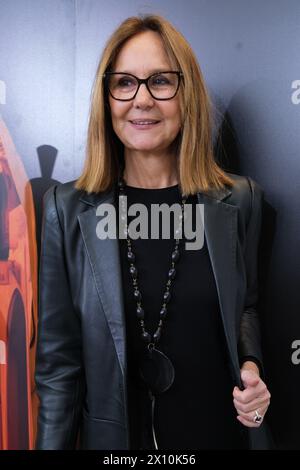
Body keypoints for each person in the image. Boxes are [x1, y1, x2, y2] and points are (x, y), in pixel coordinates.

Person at [35, 14, 272, 450]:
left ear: (188, 95)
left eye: (160, 80)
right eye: (124, 83)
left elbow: (246, 307)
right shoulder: (65, 210)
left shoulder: (240, 201)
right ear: (107, 98)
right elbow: (58, 370)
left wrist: (251, 365)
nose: (141, 100)